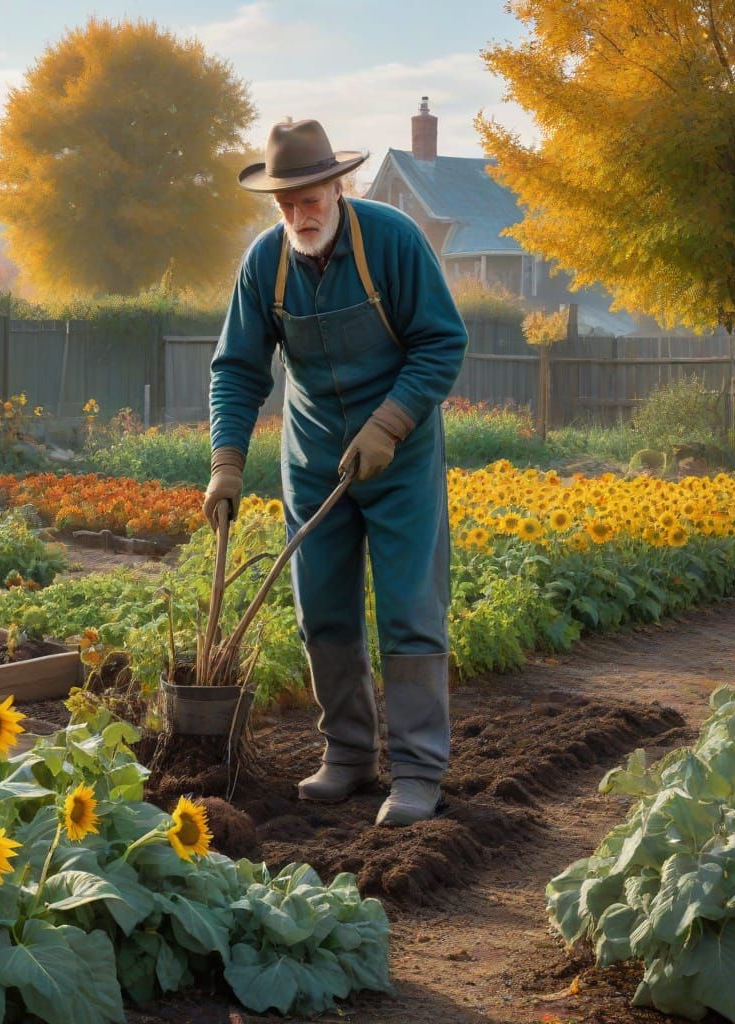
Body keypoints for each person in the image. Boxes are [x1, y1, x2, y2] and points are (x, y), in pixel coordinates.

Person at [204, 118, 468, 826]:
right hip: (314, 454)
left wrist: (389, 425)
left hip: (401, 454)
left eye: (310, 200)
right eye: (285, 205)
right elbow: (236, 368)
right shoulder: (267, 263)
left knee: (411, 608)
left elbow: (442, 342)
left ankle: (415, 771)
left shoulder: (393, 243)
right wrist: (227, 464)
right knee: (322, 605)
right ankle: (348, 755)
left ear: (339, 187)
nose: (299, 216)